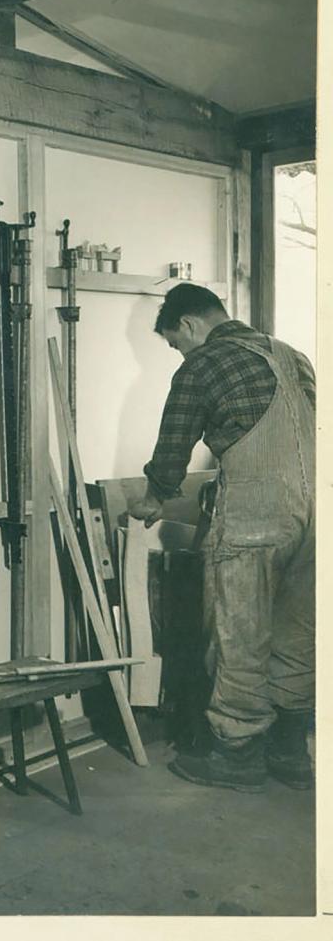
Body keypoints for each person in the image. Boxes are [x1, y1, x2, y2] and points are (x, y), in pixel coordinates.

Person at [130, 283, 314, 792]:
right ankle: (292, 752)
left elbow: (173, 449)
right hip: (320, 513)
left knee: (240, 632)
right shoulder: (290, 355)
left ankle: (238, 755)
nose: (180, 352)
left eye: (174, 342)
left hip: (259, 514)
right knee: (300, 631)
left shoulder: (203, 363)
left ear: (188, 325)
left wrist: (152, 498)